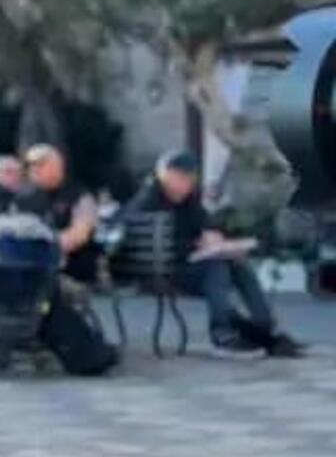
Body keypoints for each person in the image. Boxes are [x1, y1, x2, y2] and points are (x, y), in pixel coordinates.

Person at [127, 150, 304, 357]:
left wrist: (216, 240)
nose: (186, 184)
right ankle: (221, 333)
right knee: (216, 267)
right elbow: (152, 241)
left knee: (236, 262)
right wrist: (198, 246)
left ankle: (263, 326)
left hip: (188, 264)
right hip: (163, 269)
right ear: (165, 175)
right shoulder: (149, 201)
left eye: (190, 179)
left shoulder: (187, 201)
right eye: (181, 178)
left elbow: (204, 225)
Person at [16, 144, 100, 292]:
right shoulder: (24, 198)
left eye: (41, 164)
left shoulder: (79, 195)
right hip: (30, 263)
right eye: (31, 165)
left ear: (58, 166)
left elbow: (80, 234)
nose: (35, 169)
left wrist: (44, 248)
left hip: (71, 266)